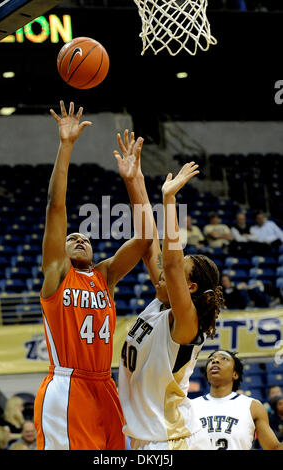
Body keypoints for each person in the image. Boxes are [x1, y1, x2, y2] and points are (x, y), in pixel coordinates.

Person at [34, 102, 152, 450]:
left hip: (105, 386)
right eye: (72, 237)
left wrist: (133, 180)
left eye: (85, 237)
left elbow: (146, 237)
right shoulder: (57, 275)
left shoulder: (105, 277)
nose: (80, 237)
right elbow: (56, 206)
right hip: (68, 386)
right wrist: (66, 145)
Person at [116, 130, 225, 450]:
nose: (161, 273)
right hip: (148, 436)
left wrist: (170, 199)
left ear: (189, 287)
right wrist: (133, 179)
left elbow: (173, 265)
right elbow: (149, 245)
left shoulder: (187, 324)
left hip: (171, 439)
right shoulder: (160, 304)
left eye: (174, 275)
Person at [192, 350, 283, 450]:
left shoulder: (253, 406)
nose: (215, 361)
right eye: (211, 360)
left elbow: (274, 448)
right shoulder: (190, 406)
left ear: (235, 374)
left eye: (223, 358)